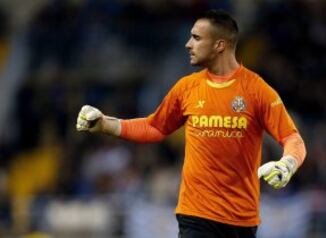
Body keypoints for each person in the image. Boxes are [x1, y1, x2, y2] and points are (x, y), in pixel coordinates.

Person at [76, 9, 306, 238]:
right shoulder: (187, 88)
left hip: (241, 219)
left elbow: (292, 138)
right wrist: (105, 124)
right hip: (195, 215)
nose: (188, 44)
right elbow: (155, 127)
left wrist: (287, 164)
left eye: (196, 38)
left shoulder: (257, 90)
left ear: (220, 45)